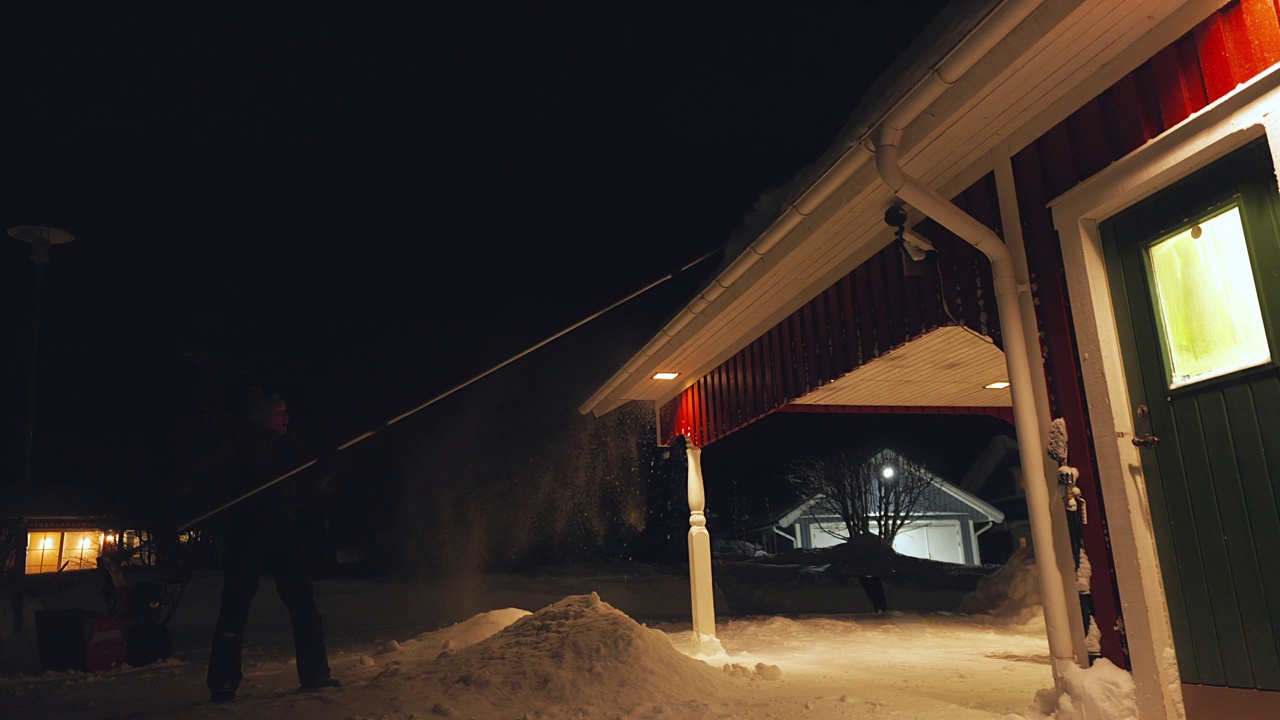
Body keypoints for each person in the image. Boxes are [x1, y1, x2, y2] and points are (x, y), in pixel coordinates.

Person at [205, 388, 338, 702]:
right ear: (265, 417)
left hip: (282, 533)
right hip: (245, 535)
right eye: (280, 413)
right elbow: (218, 475)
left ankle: (316, 674)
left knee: (303, 604)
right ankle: (223, 681)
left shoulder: (290, 444)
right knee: (234, 608)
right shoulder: (239, 445)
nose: (286, 417)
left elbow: (312, 481)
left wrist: (327, 464)